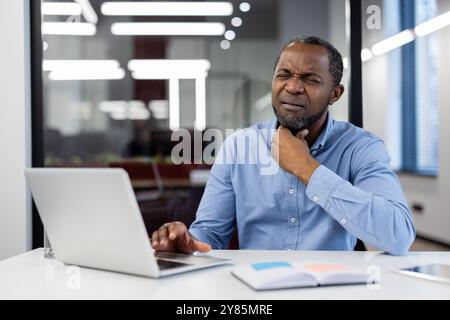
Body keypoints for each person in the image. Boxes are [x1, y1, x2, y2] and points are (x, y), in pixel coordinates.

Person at [151, 36, 416, 255]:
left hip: (331, 289)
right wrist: (186, 242)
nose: (293, 87)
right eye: (284, 75)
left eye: (311, 79)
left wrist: (308, 169)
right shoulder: (238, 146)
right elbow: (209, 235)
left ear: (335, 94)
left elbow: (398, 235)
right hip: (255, 289)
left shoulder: (361, 147)